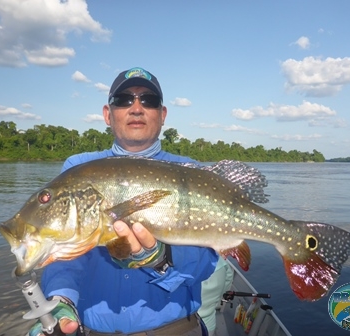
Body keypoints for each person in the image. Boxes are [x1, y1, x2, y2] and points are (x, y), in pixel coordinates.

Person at [29, 67, 232, 336]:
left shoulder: (193, 173)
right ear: (107, 114)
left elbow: (204, 265)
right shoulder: (78, 168)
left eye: (148, 100)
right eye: (124, 99)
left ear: (163, 115)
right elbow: (65, 252)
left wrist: (161, 260)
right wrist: (61, 300)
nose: (136, 108)